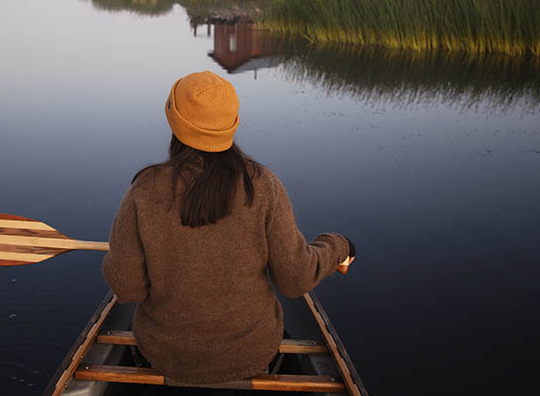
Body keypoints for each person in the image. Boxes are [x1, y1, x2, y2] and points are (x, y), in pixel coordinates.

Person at [101, 70, 355, 384]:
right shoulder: (262, 185)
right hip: (252, 354)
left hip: (164, 355)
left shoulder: (144, 189)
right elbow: (295, 278)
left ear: (174, 121)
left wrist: (124, 257)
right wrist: (338, 246)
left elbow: (127, 289)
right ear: (230, 124)